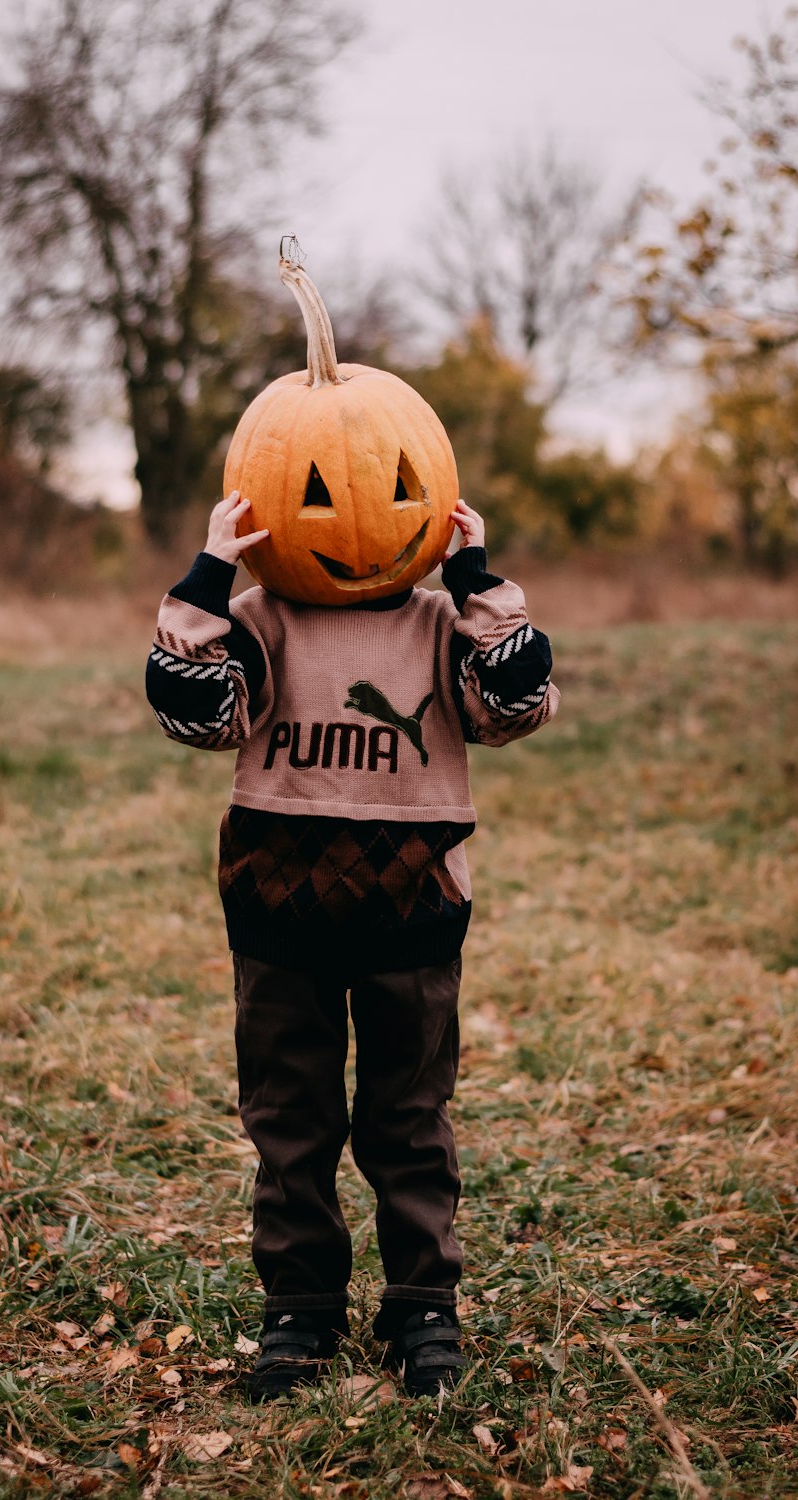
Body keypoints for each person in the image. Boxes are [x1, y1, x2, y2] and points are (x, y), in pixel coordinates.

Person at [145, 490, 559, 1400]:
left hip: (410, 913)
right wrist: (209, 577)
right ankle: (302, 1308)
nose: (349, 511)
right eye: (316, 493)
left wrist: (477, 581)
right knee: (289, 1121)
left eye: (384, 488)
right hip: (278, 913)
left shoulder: (444, 625)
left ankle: (421, 1304)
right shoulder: (258, 623)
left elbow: (517, 701)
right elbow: (192, 713)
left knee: (408, 1118)